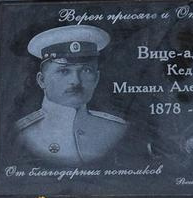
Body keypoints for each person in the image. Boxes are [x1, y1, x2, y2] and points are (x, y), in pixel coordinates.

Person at [13, 23, 134, 166]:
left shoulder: (117, 130)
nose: (76, 81)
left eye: (86, 70)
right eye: (64, 71)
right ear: (42, 80)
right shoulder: (22, 135)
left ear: (97, 78)